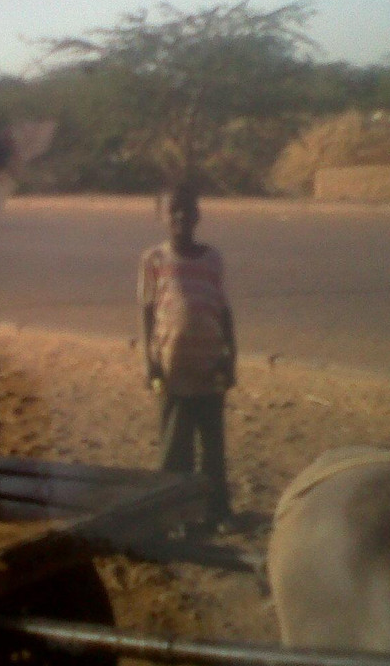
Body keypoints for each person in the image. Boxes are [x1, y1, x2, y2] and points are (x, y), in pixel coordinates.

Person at [137, 180, 236, 527]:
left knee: (212, 446)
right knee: (174, 446)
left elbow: (223, 311)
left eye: (187, 209)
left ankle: (216, 509)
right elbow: (148, 312)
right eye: (172, 210)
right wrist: (151, 365)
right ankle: (172, 510)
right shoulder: (154, 260)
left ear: (198, 214)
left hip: (209, 368)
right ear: (161, 216)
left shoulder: (212, 259)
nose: (180, 216)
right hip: (172, 368)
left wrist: (230, 358)